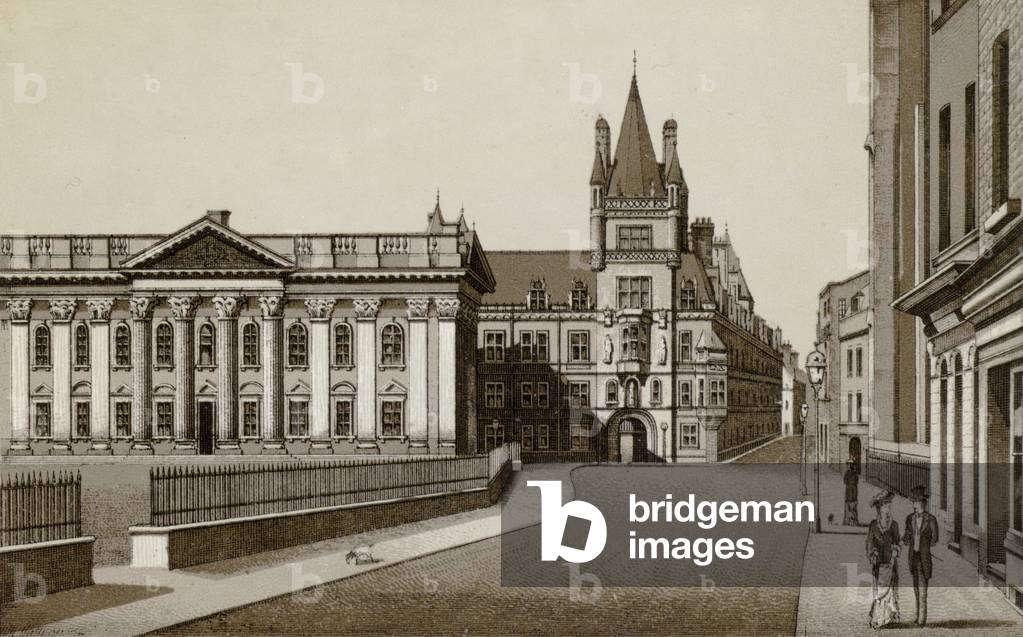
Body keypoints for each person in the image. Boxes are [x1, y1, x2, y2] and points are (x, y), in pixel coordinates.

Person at [903, 485, 939, 626]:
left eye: (915, 502)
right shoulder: (909, 519)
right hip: (914, 557)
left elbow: (935, 540)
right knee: (916, 590)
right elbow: (906, 537)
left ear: (922, 503)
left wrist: (924, 542)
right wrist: (905, 538)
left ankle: (922, 619)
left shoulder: (931, 520)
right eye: (913, 502)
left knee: (923, 591)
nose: (913, 505)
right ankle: (918, 617)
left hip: (924, 558)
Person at [866, 490, 900, 629]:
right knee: (878, 592)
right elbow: (869, 543)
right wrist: (872, 554)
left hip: (890, 563)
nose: (888, 509)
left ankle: (888, 618)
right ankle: (877, 618)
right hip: (878, 564)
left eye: (889, 506)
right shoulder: (874, 525)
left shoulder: (894, 525)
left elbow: (897, 542)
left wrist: (894, 552)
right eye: (886, 506)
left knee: (890, 591)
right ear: (880, 509)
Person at [843, 457, 859, 526]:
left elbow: (856, 481)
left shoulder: (855, 473)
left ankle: (854, 521)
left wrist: (851, 483)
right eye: (849, 464)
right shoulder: (847, 473)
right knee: (847, 506)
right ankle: (847, 521)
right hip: (848, 491)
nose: (850, 466)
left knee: (853, 506)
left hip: (853, 491)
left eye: (851, 464)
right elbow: (845, 481)